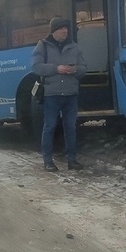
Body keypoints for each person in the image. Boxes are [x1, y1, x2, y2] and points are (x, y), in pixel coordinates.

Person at [32, 17, 87, 172]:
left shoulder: (74, 47)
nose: (65, 31)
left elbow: (84, 68)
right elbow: (36, 67)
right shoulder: (42, 46)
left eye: (66, 28)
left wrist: (75, 69)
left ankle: (72, 160)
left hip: (71, 94)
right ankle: (48, 161)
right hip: (52, 94)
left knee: (71, 127)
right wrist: (57, 69)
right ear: (54, 31)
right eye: (62, 29)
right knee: (49, 126)